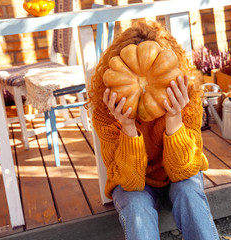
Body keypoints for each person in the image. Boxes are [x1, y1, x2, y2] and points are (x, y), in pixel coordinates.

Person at [89, 20, 219, 240]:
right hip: (135, 182)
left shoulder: (185, 98)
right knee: (135, 205)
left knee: (188, 192)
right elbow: (130, 182)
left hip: (177, 175)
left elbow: (184, 171)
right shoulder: (106, 109)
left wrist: (174, 117)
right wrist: (128, 125)